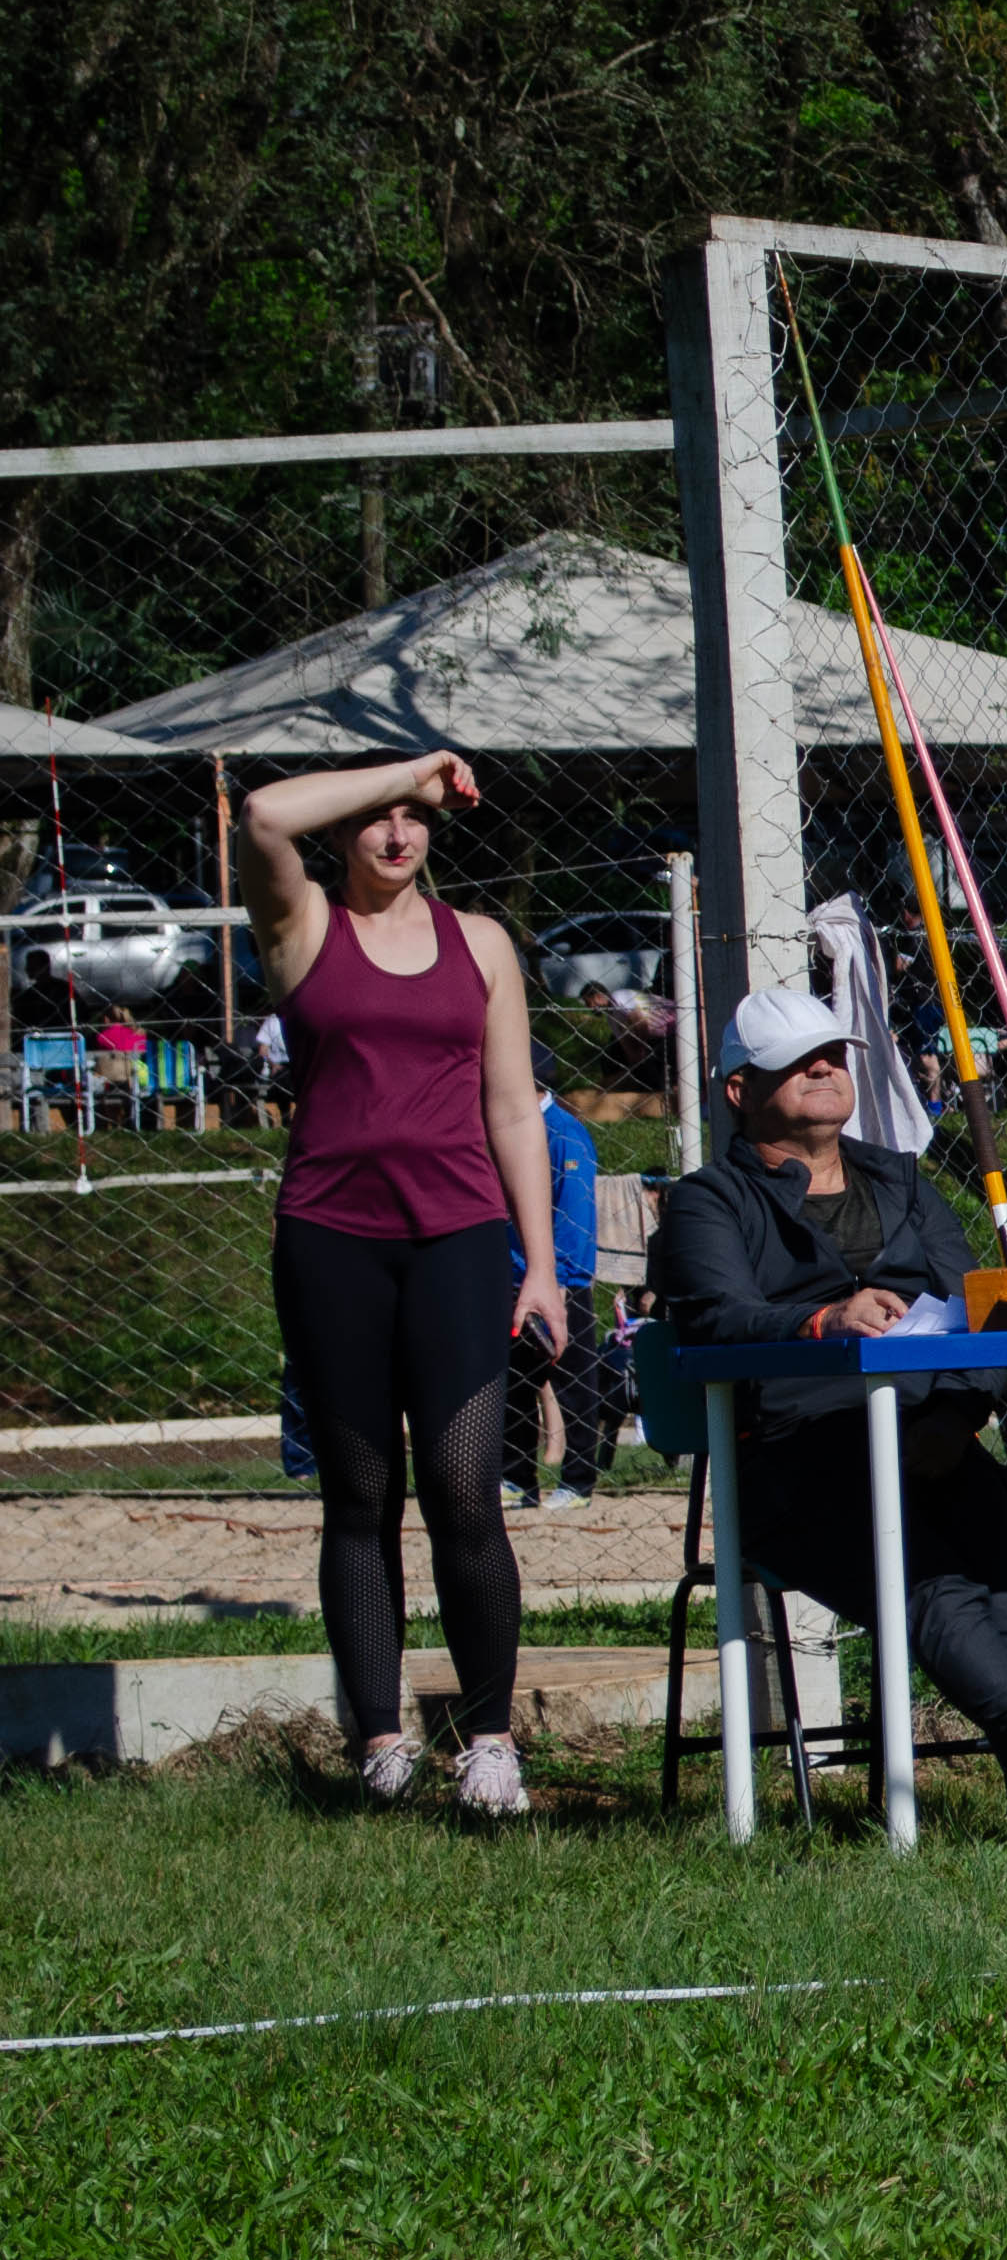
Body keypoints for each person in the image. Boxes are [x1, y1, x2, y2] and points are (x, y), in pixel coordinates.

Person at [654, 992, 1007, 1821]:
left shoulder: (901, 1178)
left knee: (990, 1568)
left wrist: (956, 1418)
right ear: (740, 1090)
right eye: (796, 1061)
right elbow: (716, 1320)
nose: (824, 1068)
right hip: (799, 1460)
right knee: (926, 1574)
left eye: (833, 1055)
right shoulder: (710, 1200)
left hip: (928, 1438)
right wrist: (823, 1319)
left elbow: (981, 1309)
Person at [241, 749, 562, 1817]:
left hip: (459, 1240)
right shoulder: (302, 927)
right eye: (376, 818)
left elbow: (512, 1108)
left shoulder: (481, 942)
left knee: (466, 1492)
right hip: (330, 1241)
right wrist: (415, 770)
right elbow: (264, 814)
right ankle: (380, 1740)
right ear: (342, 833)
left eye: (414, 819)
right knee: (361, 1496)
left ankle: (490, 1740)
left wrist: (542, 1266)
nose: (396, 835)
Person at [502, 1089, 627, 1510]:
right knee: (514, 1383)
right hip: (514, 1277)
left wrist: (558, 1275)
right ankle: (517, 1479)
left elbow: (575, 1210)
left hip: (559, 1283)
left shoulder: (563, 1133)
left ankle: (577, 1482)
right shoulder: (508, 1129)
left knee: (574, 1383)